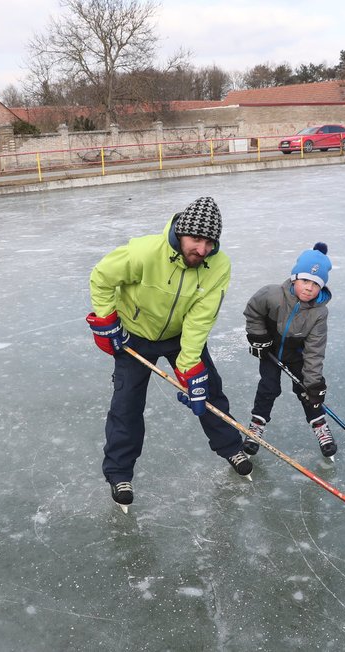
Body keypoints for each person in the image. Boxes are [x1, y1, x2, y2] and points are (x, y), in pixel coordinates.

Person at [86, 196, 253, 510]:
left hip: (180, 337)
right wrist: (107, 320)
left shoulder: (219, 266)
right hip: (134, 336)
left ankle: (231, 447)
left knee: (208, 391)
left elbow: (201, 317)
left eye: (209, 243)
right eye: (196, 240)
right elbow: (102, 277)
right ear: (181, 233)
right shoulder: (145, 252)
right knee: (127, 405)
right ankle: (120, 473)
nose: (202, 250)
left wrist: (189, 366)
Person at [242, 242, 336, 459]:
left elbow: (314, 350)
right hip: (270, 349)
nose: (309, 288)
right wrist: (258, 337)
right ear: (294, 277)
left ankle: (320, 426)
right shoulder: (272, 294)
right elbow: (252, 311)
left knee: (306, 391)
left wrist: (314, 383)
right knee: (268, 388)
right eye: (304, 280)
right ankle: (256, 427)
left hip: (298, 354)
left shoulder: (319, 313)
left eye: (315, 284)